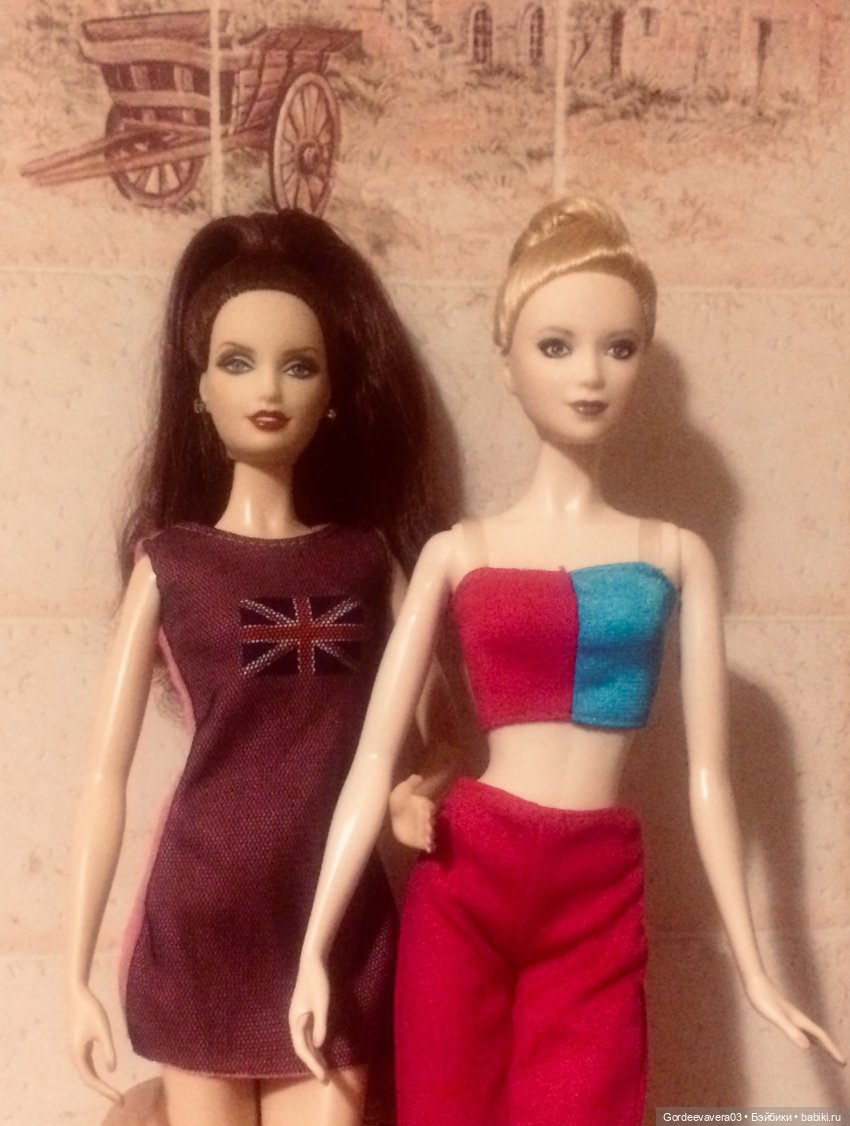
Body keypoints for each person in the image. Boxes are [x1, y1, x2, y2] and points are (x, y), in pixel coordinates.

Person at [289, 193, 844, 1126]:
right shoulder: (458, 553)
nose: (590, 375)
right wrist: (313, 943)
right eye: (556, 346)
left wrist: (755, 966)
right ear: (507, 365)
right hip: (469, 873)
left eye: (618, 348)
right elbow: (372, 758)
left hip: (596, 888)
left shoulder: (675, 554)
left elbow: (710, 779)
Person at [67, 208, 447, 1126]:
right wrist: (73, 972)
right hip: (202, 920)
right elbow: (104, 777)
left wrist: (418, 790)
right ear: (198, 389)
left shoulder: (366, 561)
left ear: (336, 393)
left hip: (333, 915)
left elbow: (444, 731)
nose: (268, 388)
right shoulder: (172, 563)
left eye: (299, 365)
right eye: (236, 362)